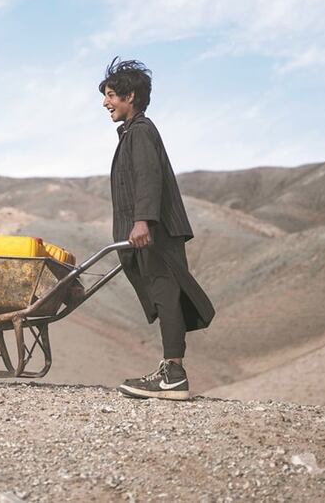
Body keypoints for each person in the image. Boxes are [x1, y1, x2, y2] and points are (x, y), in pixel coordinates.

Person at [100, 58, 215, 399]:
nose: (106, 103)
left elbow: (149, 178)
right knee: (164, 294)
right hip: (150, 229)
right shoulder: (133, 134)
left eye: (110, 95)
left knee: (166, 293)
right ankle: (171, 370)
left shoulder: (141, 132)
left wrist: (142, 221)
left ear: (129, 96)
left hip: (156, 230)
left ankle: (173, 373)